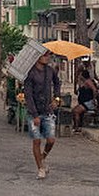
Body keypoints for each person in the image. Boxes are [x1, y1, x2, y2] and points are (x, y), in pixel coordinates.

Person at [23, 50, 61, 179]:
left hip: (47, 110)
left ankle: (42, 158)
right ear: (37, 56)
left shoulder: (50, 71)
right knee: (37, 141)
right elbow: (28, 95)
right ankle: (40, 168)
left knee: (51, 140)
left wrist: (56, 99)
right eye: (45, 55)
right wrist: (34, 115)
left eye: (49, 55)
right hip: (34, 112)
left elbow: (57, 83)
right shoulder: (30, 73)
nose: (47, 57)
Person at [71, 67, 99, 132]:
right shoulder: (83, 82)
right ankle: (77, 125)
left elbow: (95, 90)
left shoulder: (88, 81)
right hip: (83, 102)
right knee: (73, 111)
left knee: (76, 111)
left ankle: (77, 127)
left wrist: (94, 99)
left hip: (88, 102)